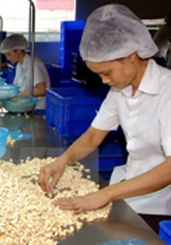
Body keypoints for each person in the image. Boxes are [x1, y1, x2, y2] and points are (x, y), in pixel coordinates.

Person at [38, 4, 171, 233]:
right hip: (126, 194)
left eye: (106, 72)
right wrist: (61, 161)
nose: (104, 80)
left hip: (158, 208)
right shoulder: (120, 89)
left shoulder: (166, 91)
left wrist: (103, 195)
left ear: (131, 56)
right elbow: (92, 136)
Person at [0, 34, 51, 110]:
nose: (8, 58)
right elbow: (16, 86)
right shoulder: (19, 65)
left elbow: (41, 90)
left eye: (9, 54)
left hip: (38, 108)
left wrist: (17, 95)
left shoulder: (34, 64)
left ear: (19, 50)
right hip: (25, 106)